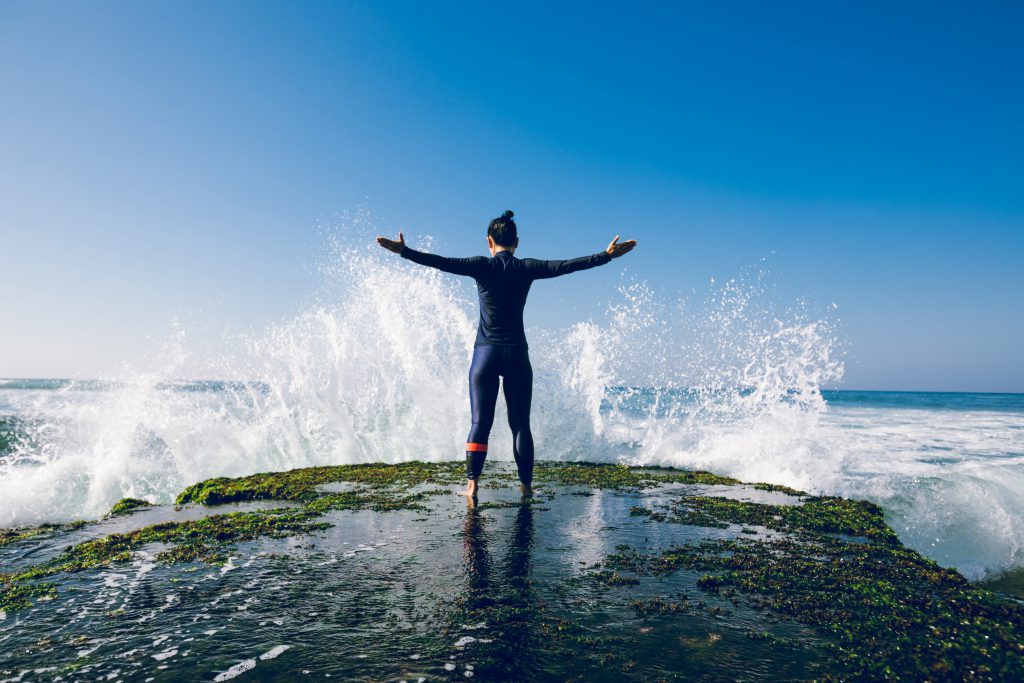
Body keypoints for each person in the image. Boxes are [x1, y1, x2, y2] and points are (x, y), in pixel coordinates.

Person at [376, 210, 636, 500]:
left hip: (484, 355)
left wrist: (405, 252)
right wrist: (605, 255)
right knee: (520, 425)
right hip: (516, 355)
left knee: (479, 424)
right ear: (517, 242)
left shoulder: (480, 266)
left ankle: (472, 487)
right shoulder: (526, 268)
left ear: (489, 241)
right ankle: (525, 486)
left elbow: (441, 263)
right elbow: (565, 266)